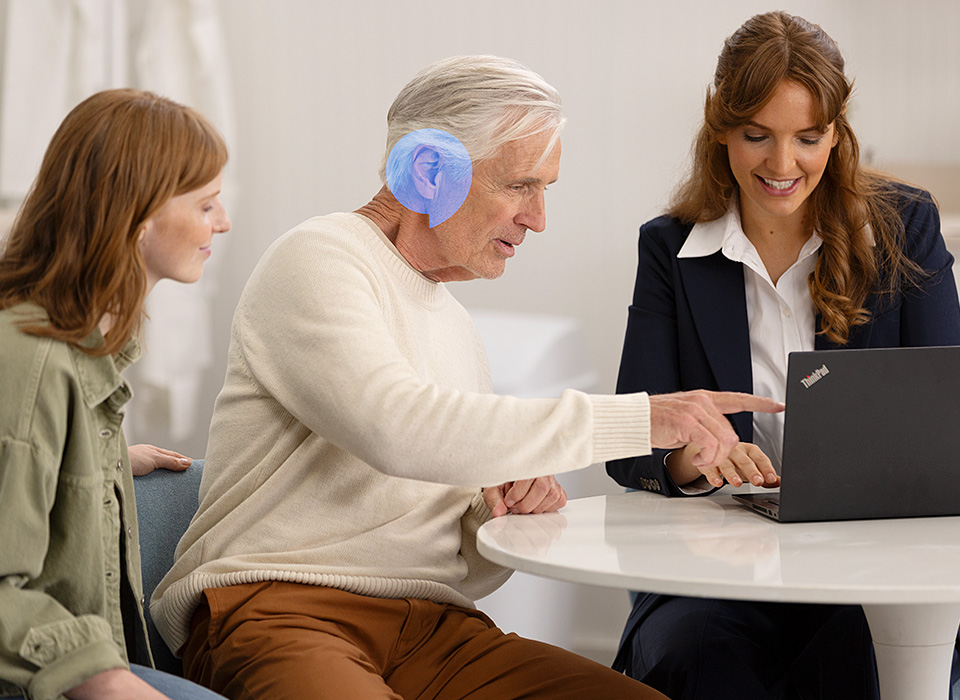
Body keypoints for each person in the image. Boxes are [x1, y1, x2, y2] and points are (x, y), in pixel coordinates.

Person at [150, 54, 781, 700]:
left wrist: (494, 511)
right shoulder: (320, 257)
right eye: (521, 186)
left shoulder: (453, 325)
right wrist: (641, 419)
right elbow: (395, 427)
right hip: (281, 607)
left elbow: (458, 556)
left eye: (545, 190)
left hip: (432, 628)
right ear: (431, 171)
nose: (538, 218)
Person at [606, 11, 960, 700]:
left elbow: (947, 415)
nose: (781, 164)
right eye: (756, 136)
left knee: (860, 664)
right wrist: (693, 458)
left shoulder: (904, 226)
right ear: (720, 126)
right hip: (716, 566)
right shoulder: (670, 249)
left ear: (837, 132)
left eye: (807, 138)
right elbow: (629, 443)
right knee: (696, 660)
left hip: (874, 559)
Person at [0, 88, 231, 700]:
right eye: (206, 204)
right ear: (139, 214)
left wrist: (99, 464)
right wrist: (105, 681)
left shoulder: (81, 343)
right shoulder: (32, 361)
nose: (223, 222)